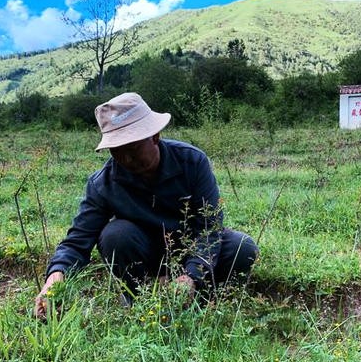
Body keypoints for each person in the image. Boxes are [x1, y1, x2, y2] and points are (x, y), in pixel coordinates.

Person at [34, 92, 258, 318]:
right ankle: (137, 301)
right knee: (115, 235)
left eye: (133, 149)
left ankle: (201, 301)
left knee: (243, 247)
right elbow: (78, 241)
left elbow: (209, 228)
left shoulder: (192, 162)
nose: (127, 160)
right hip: (143, 254)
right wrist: (55, 277)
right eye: (117, 151)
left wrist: (191, 275)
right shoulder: (103, 183)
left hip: (188, 250)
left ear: (155, 137)